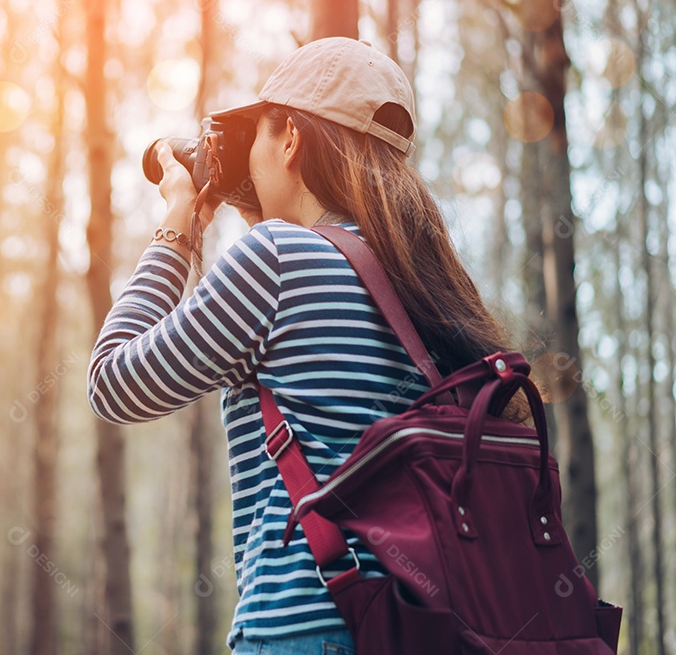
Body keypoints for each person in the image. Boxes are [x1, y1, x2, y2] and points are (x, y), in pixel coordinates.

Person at [86, 37, 529, 654]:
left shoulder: (276, 258)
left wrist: (178, 223)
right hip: (429, 627)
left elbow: (113, 383)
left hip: (309, 628)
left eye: (262, 134)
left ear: (290, 139)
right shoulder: (428, 281)